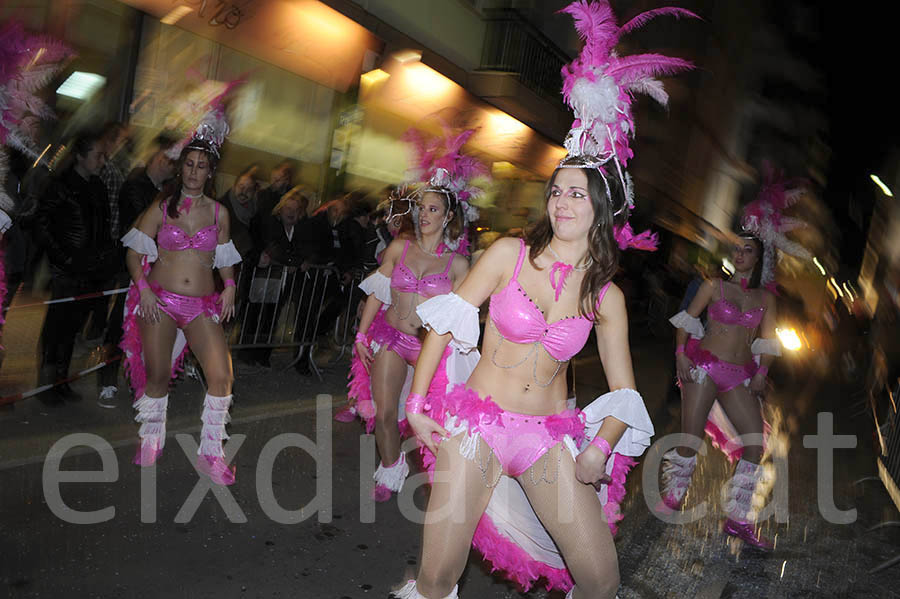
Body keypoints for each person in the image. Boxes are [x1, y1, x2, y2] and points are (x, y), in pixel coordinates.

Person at [392, 2, 695, 596]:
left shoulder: (606, 298)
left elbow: (625, 392)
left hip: (546, 437)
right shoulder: (508, 254)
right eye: (557, 191)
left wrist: (598, 450)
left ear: (601, 210)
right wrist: (418, 404)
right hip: (475, 426)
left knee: (601, 579)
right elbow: (445, 326)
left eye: (577, 195)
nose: (561, 202)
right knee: (436, 575)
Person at [664, 166, 810, 550]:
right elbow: (685, 321)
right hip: (704, 368)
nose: (741, 254)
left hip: (739, 375)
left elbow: (767, 340)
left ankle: (737, 517)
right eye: (738, 249)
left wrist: (762, 373)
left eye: (749, 250)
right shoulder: (715, 286)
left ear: (760, 257)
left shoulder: (766, 299)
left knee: (754, 445)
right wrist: (681, 354)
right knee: (690, 439)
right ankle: (672, 495)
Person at [348, 131, 486, 502]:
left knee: (430, 420)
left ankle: (446, 478)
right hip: (392, 338)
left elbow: (462, 317)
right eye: (421, 208)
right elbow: (378, 294)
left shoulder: (457, 264)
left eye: (433, 209)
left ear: (448, 216)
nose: (424, 215)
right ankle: (391, 469)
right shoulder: (399, 247)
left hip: (431, 350)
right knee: (384, 411)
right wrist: (361, 337)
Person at [120, 92, 242, 485]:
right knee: (157, 375)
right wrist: (145, 290)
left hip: (202, 306)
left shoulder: (220, 213)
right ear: (182, 167)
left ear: (210, 171)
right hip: (160, 301)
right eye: (188, 163)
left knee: (221, 375)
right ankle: (151, 438)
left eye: (201, 165)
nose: (193, 171)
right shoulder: (162, 206)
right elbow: (134, 254)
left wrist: (229, 288)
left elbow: (224, 259)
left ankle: (211, 453)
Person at [35, 131, 117, 405]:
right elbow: (41, 224)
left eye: (103, 156)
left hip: (89, 270)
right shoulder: (60, 186)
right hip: (67, 270)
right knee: (56, 327)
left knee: (72, 327)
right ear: (80, 156)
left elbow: (103, 228)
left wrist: (103, 257)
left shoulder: (97, 187)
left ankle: (61, 380)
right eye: (97, 155)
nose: (102, 161)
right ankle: (46, 384)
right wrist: (62, 258)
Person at [97, 134, 177, 408]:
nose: (171, 166)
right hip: (128, 264)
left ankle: (137, 380)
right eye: (168, 160)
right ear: (156, 157)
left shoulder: (165, 189)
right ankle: (107, 379)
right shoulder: (136, 184)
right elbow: (138, 226)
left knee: (143, 328)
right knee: (119, 325)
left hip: (154, 266)